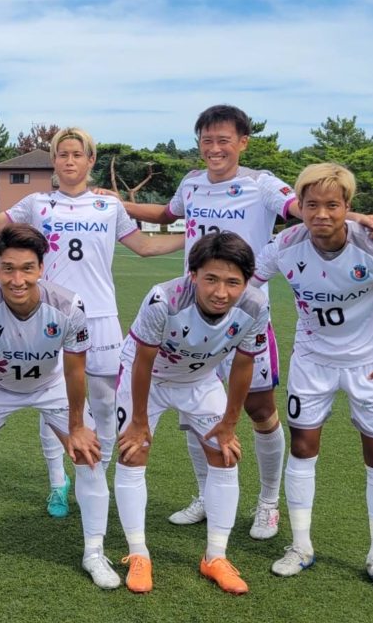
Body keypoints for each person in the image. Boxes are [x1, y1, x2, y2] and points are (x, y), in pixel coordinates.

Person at [120, 105, 373, 539]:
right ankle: (206, 495)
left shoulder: (261, 183)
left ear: (243, 142)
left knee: (260, 410)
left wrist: (362, 218)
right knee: (197, 410)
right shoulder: (191, 183)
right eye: (207, 141)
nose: (215, 149)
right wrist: (119, 203)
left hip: (243, 317)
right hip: (194, 315)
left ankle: (268, 503)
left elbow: (307, 208)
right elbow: (167, 216)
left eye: (224, 140)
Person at [0, 127, 183, 517]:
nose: (69, 161)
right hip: (50, 317)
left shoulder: (108, 206)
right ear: (54, 160)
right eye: (62, 154)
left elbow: (145, 246)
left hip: (100, 317)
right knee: (52, 398)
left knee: (105, 403)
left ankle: (96, 478)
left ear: (90, 160)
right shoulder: (37, 203)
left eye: (77, 154)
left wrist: (194, 236)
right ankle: (57, 483)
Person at [254, 163, 373, 596]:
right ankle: (300, 546)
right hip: (312, 362)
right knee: (303, 448)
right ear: (300, 207)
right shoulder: (284, 245)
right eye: (312, 205)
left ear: (348, 207)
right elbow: (247, 284)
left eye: (332, 205)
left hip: (371, 364)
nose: (322, 214)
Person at [0, 224, 118, 589]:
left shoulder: (68, 305)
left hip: (51, 386)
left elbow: (75, 371)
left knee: (88, 457)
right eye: (8, 269)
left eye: (27, 269)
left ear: (41, 269)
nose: (17, 280)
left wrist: (78, 427)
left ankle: (95, 553)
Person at [114, 231, 268, 595]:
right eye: (211, 279)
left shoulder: (255, 306)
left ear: (247, 281)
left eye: (233, 282)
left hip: (200, 380)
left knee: (225, 455)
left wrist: (229, 423)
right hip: (149, 378)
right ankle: (138, 554)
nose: (221, 292)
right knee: (133, 453)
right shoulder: (163, 300)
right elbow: (142, 361)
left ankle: (216, 556)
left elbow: (244, 364)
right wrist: (138, 422)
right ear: (193, 274)